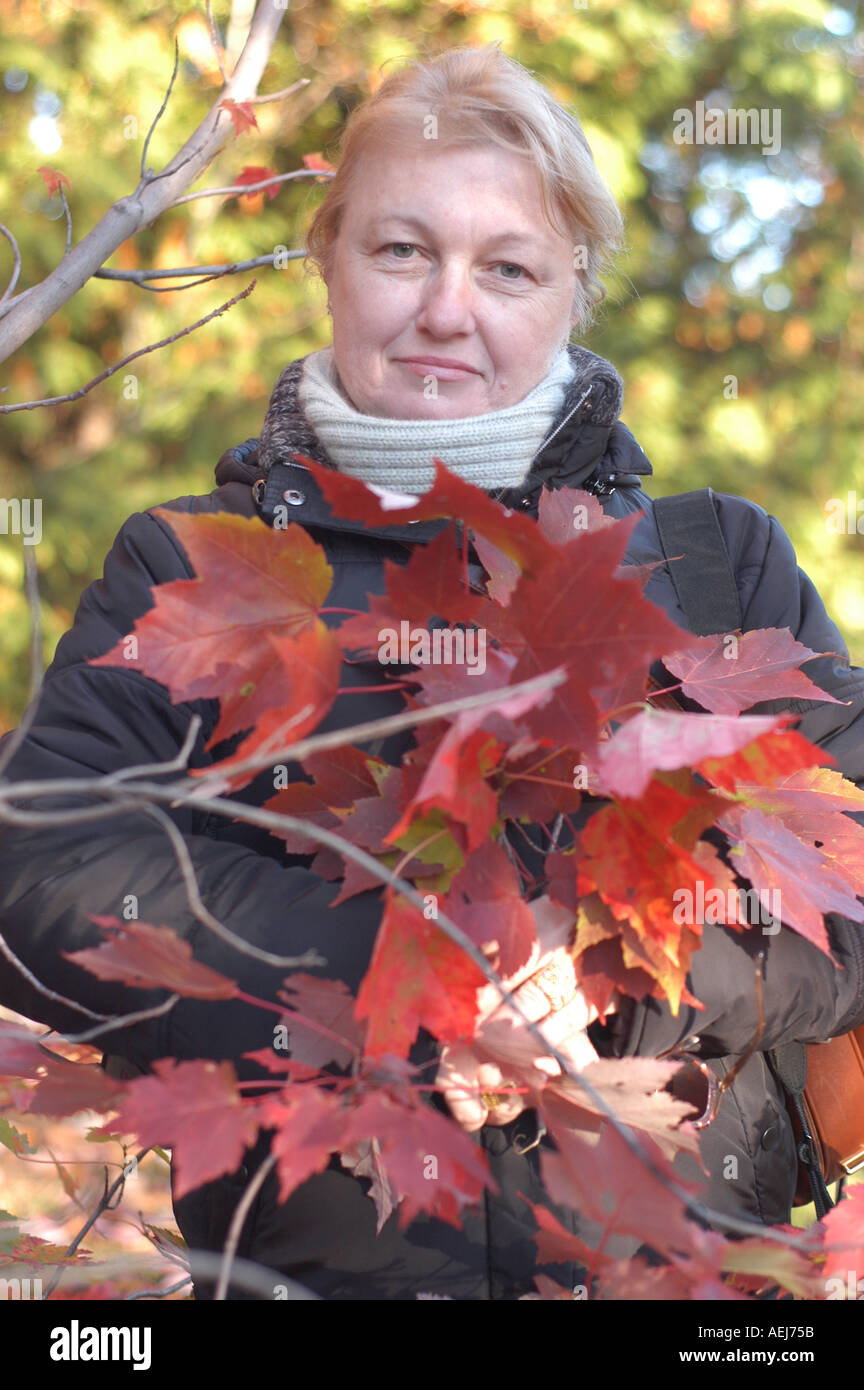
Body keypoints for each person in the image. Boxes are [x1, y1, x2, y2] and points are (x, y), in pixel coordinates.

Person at [1, 43, 864, 1302]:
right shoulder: (195, 566)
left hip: (691, 1281)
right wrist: (421, 975)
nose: (448, 309)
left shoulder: (712, 561)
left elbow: (846, 871)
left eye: (506, 268)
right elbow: (43, 860)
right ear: (329, 257)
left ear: (574, 290)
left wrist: (617, 982)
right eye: (403, 251)